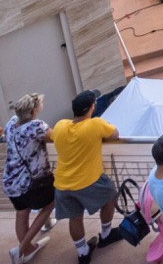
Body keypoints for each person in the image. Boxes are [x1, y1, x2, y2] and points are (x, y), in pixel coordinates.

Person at [49, 90, 120, 262]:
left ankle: (83, 252)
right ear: (92, 107)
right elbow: (115, 134)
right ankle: (106, 234)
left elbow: (53, 137)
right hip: (89, 181)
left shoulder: (60, 125)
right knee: (111, 195)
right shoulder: (95, 124)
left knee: (75, 217)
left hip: (62, 184)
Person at [1, 93, 56, 264]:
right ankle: (21, 249)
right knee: (50, 204)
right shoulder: (36, 126)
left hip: (10, 179)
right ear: (33, 111)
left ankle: (29, 249)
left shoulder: (11, 122)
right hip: (31, 181)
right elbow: (55, 136)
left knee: (22, 213)